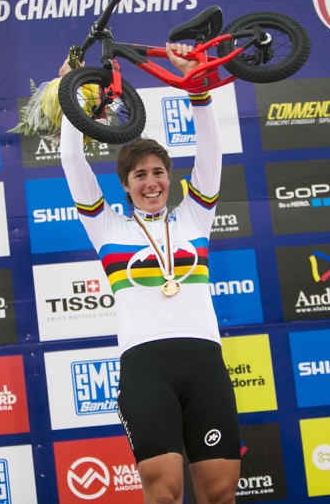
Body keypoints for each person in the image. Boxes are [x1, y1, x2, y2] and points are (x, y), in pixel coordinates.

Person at [59, 43, 241, 504]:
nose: (151, 182)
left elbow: (211, 152)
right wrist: (70, 93)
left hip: (204, 363)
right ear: (125, 185)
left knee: (220, 493)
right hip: (145, 368)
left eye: (158, 172)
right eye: (139, 175)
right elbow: (72, 161)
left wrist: (197, 88)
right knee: (163, 492)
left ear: (169, 177)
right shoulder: (107, 227)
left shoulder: (194, 217)